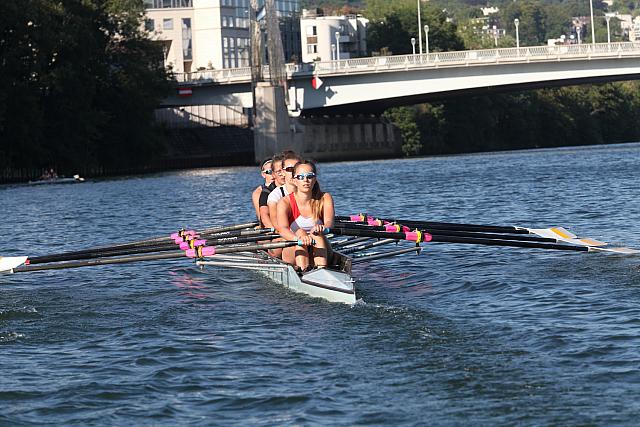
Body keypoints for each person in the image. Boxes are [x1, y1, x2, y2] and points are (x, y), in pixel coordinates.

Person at [276, 160, 334, 271]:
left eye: (309, 176)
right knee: (301, 232)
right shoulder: (284, 202)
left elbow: (329, 223)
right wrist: (298, 239)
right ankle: (304, 270)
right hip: (294, 249)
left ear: (315, 178)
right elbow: (282, 229)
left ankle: (321, 270)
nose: (305, 180)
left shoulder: (325, 198)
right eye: (300, 177)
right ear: (294, 180)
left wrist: (324, 228)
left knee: (317, 233)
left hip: (319, 246)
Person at [267, 151, 301, 229]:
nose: (293, 172)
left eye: (296, 169)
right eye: (289, 169)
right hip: (288, 235)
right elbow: (277, 225)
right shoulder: (275, 196)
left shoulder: (310, 193)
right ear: (282, 172)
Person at [259, 153, 286, 229]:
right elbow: (264, 216)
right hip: (271, 229)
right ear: (273, 174)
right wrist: (279, 231)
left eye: (284, 170)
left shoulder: (295, 188)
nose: (283, 174)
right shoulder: (266, 192)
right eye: (279, 172)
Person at [252, 158, 274, 223]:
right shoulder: (258, 192)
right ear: (263, 174)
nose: (273, 174)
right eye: (269, 172)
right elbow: (261, 217)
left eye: (275, 171)